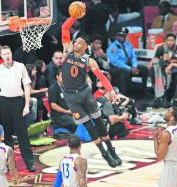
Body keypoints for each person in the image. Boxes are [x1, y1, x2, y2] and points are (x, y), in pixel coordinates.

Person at [60, 15, 121, 168]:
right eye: (76, 41)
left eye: (80, 42)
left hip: (85, 93)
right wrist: (74, 16)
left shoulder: (89, 60)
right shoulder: (67, 50)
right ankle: (105, 154)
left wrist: (111, 90)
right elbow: (64, 28)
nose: (76, 43)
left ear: (86, 46)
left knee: (99, 122)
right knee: (88, 126)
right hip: (70, 97)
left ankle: (111, 150)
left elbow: (101, 76)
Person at [0, 45, 35, 172]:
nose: (7, 56)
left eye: (9, 53)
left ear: (12, 53)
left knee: (22, 134)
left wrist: (27, 104)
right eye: (4, 54)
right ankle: (9, 163)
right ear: (1, 56)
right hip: (4, 102)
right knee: (7, 135)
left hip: (17, 101)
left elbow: (27, 85)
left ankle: (30, 162)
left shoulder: (20, 66)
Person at [148, 33, 177, 108]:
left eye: (172, 40)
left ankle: (175, 100)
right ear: (165, 41)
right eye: (168, 40)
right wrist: (162, 59)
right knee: (153, 69)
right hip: (164, 73)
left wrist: (172, 65)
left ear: (175, 41)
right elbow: (150, 65)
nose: (170, 42)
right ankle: (158, 97)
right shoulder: (161, 49)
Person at [106, 27, 148, 96]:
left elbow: (133, 56)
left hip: (129, 65)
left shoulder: (128, 44)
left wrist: (134, 66)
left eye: (125, 35)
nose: (124, 37)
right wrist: (130, 69)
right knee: (125, 72)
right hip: (118, 67)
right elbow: (116, 62)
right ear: (117, 36)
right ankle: (127, 94)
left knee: (144, 69)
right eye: (122, 36)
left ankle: (143, 91)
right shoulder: (112, 48)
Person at [48, 68, 77, 133]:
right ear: (57, 76)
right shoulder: (53, 88)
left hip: (70, 112)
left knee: (83, 118)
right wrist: (67, 111)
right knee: (75, 123)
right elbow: (53, 105)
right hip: (59, 115)